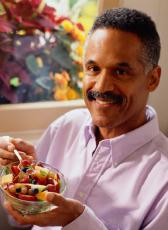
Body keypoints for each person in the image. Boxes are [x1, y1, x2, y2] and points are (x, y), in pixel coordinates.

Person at [0, 7, 168, 230]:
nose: (102, 86)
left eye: (120, 71)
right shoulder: (65, 126)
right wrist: (18, 182)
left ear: (152, 79)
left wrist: (78, 220)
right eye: (93, 68)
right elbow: (18, 221)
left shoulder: (163, 180)